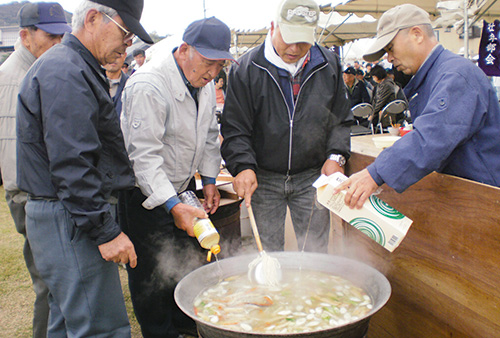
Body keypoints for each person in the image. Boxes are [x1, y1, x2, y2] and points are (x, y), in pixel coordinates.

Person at [16, 0, 153, 336]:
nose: (128, 43)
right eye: (125, 32)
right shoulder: (66, 71)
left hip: (64, 213)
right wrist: (104, 231)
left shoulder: (73, 65)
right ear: (93, 18)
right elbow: (72, 163)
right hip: (68, 216)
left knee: (67, 323)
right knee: (100, 328)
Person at [119, 16, 236, 338]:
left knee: (185, 260)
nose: (214, 72)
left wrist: (210, 179)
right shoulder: (148, 85)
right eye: (209, 62)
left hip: (183, 186)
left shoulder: (206, 83)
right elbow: (143, 156)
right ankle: (160, 331)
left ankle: (185, 322)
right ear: (185, 50)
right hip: (145, 193)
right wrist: (172, 205)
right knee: (151, 271)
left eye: (220, 64)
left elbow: (210, 134)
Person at [333, 3, 500, 209]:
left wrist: (375, 173)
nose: (389, 58)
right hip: (465, 193)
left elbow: (431, 138)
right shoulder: (435, 75)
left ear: (417, 34)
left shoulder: (456, 76)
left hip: (484, 197)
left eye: (390, 48)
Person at [221, 0, 352, 253]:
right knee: (269, 251)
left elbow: (340, 119)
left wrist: (336, 156)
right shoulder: (246, 69)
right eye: (288, 37)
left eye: (303, 41)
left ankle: (313, 291)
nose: (294, 48)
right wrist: (243, 166)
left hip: (313, 175)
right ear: (273, 26)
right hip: (264, 178)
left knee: (314, 250)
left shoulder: (328, 65)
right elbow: (236, 128)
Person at [0, 4, 71, 337]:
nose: (59, 43)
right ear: (25, 35)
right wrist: (37, 204)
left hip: (39, 195)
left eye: (62, 35)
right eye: (50, 35)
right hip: (32, 198)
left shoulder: (40, 68)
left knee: (59, 281)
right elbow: (14, 156)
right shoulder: (16, 78)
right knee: (49, 283)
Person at [369, 64, 399, 128]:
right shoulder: (382, 84)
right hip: (383, 112)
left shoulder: (386, 85)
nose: (373, 79)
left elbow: (380, 101)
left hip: (386, 114)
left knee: (368, 124)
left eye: (373, 77)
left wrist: (372, 114)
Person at [105, 51, 129, 117]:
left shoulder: (131, 85)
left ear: (124, 56)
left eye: (118, 53)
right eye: (109, 53)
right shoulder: (91, 82)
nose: (113, 58)